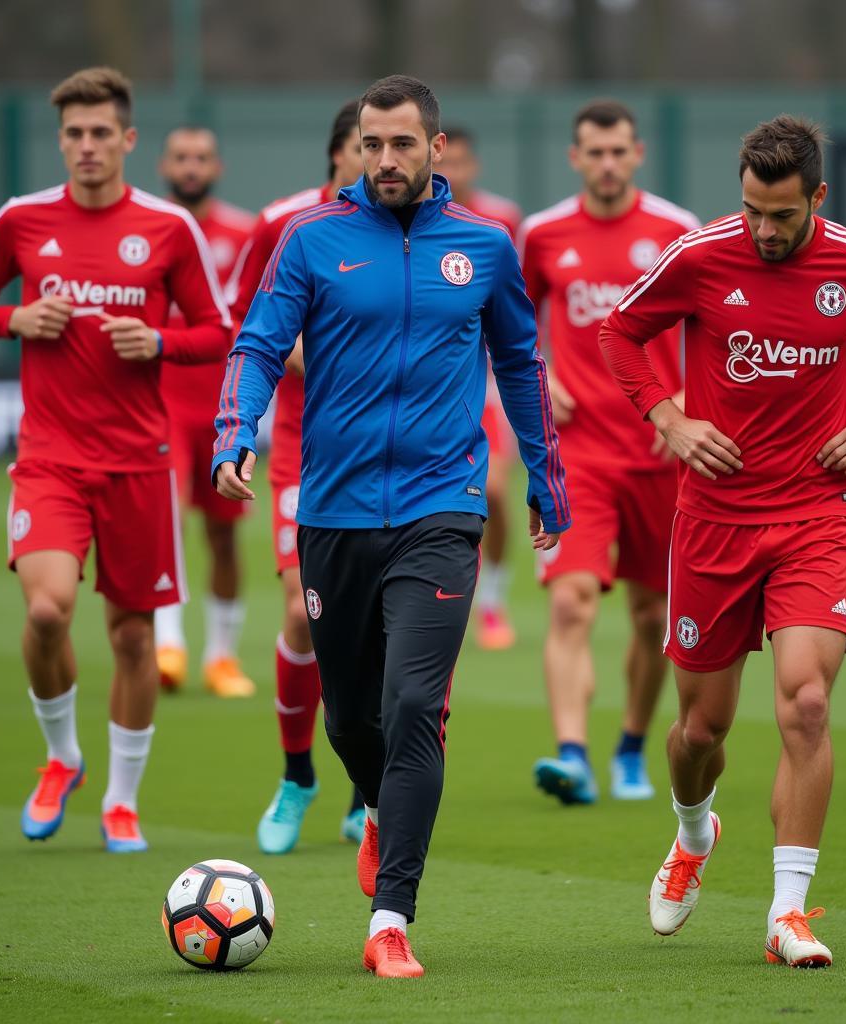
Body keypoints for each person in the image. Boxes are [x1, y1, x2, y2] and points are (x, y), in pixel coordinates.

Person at [213, 75, 569, 978]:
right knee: (351, 720)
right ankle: (373, 801)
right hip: (331, 513)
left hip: (441, 510)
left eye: (402, 145)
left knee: (416, 705)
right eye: (371, 145)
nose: (385, 161)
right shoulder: (311, 241)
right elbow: (256, 344)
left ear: (435, 149)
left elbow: (521, 364)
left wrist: (542, 476)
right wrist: (235, 430)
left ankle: (390, 917)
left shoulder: (484, 248)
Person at [599, 114, 846, 967]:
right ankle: (693, 834)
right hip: (713, 522)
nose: (763, 230)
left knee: (806, 702)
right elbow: (621, 332)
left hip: (816, 517)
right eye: (753, 210)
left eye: (782, 216)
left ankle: (788, 914)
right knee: (699, 733)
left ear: (817, 198)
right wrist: (670, 418)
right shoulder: (699, 255)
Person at [0, 67, 232, 852]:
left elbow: (219, 330)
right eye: (74, 133)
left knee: (135, 638)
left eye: (102, 132)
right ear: (60, 140)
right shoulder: (23, 219)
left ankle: (122, 800)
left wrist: (162, 341)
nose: (87, 146)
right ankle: (61, 755)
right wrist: (17, 318)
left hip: (140, 462)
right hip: (50, 457)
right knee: (45, 611)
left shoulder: (170, 227)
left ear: (129, 140)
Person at [519, 99, 699, 804]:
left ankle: (630, 745)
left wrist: (690, 405)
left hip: (660, 451)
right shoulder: (543, 233)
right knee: (572, 603)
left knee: (654, 615)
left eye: (618, 151)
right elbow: (507, 321)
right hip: (577, 454)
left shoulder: (677, 231)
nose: (606, 164)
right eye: (594, 152)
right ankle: (572, 755)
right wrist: (544, 374)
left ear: (638, 153)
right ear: (574, 157)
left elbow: (716, 325)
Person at [227, 99, 368, 854]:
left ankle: (363, 786)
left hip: (389, 464)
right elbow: (243, 324)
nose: (380, 162)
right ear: (337, 154)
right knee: (301, 613)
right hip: (303, 456)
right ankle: (295, 775)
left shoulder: (413, 228)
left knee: (372, 627)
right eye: (365, 147)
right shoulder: (285, 224)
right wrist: (293, 359)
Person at [155, 125, 257, 698]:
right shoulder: (148, 229)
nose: (190, 167)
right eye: (181, 158)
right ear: (163, 164)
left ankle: (222, 656)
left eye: (200, 158)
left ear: (216, 167)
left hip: (225, 407)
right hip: (159, 403)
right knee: (163, 524)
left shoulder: (242, 234)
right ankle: (168, 644)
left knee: (223, 535)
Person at [438, 126, 523, 650]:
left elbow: (524, 298)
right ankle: (444, 598)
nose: (454, 174)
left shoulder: (504, 221)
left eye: (464, 163)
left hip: (490, 381)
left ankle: (492, 600)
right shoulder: (419, 221)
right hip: (440, 383)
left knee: (492, 490)